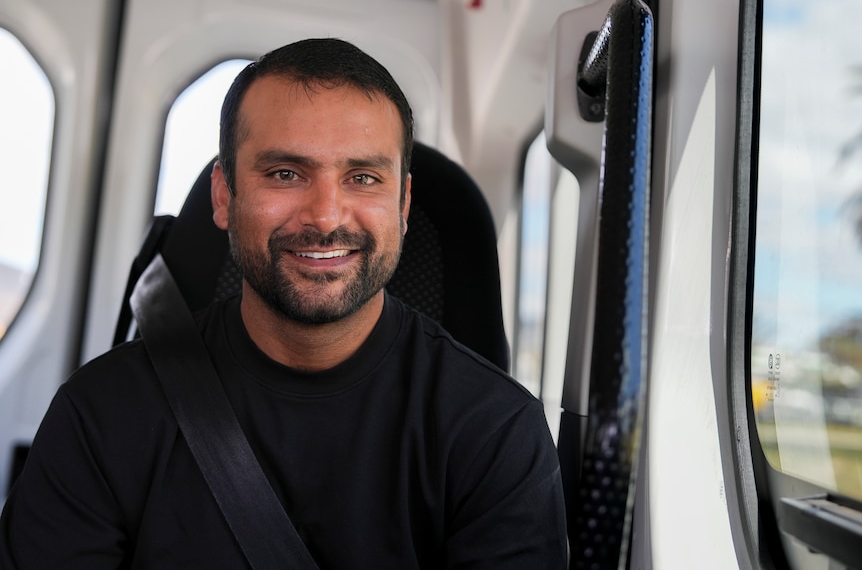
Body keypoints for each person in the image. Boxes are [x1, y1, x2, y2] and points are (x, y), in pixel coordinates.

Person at [0, 38, 567, 569]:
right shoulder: (103, 412)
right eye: (286, 173)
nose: (325, 217)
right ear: (225, 196)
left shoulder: (495, 434)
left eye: (363, 177)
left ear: (403, 203)